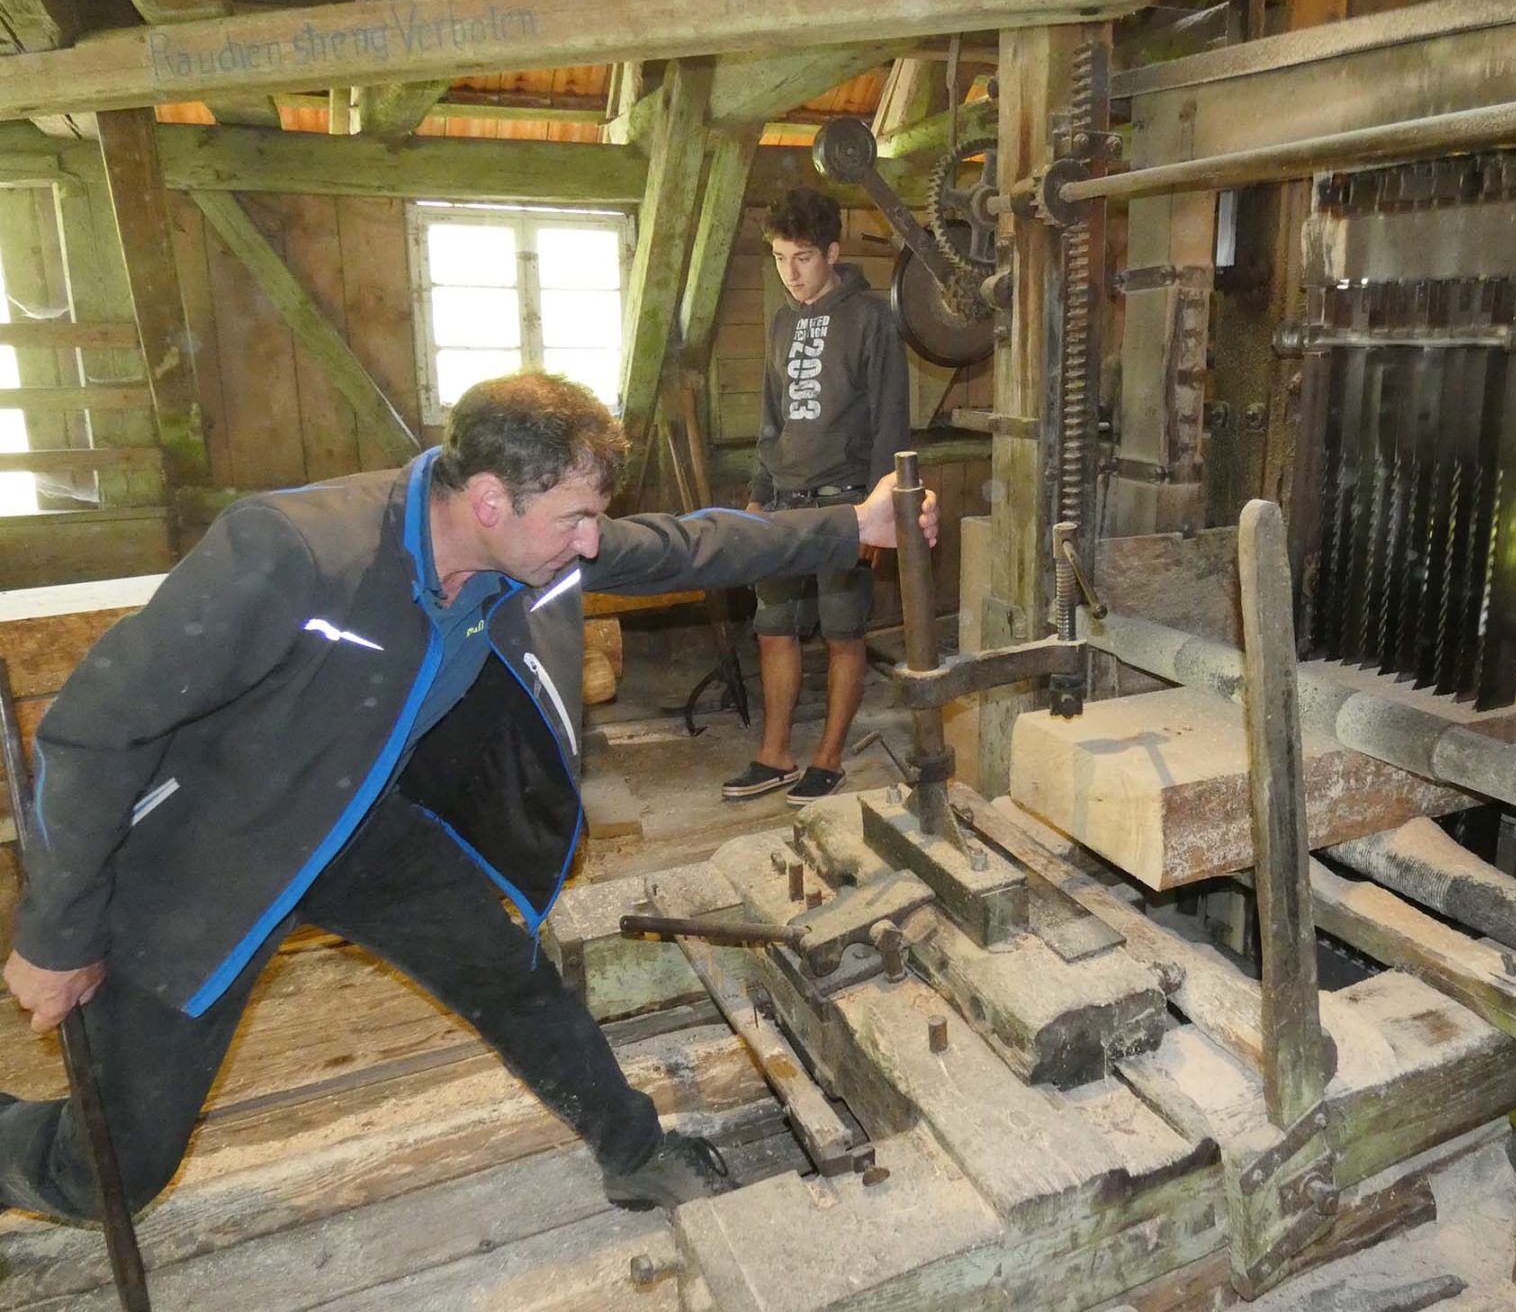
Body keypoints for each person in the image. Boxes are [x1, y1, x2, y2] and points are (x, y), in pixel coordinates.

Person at [0, 372, 937, 1221]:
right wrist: (55, 936)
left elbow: (683, 547)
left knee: (506, 974)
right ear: (489, 499)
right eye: (575, 519)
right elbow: (92, 730)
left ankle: (633, 1151)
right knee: (107, 1176)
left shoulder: (519, 551)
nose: (589, 541)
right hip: (207, 862)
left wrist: (854, 528)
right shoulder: (293, 551)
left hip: (356, 824)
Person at [722, 188, 911, 807]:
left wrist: (881, 513)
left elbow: (891, 421)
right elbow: (770, 418)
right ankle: (774, 756)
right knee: (773, 629)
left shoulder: (872, 319)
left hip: (847, 505)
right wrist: (758, 495)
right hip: (785, 503)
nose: (791, 273)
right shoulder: (781, 323)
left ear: (832, 251)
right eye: (780, 259)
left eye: (802, 258)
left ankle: (828, 759)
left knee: (842, 634)